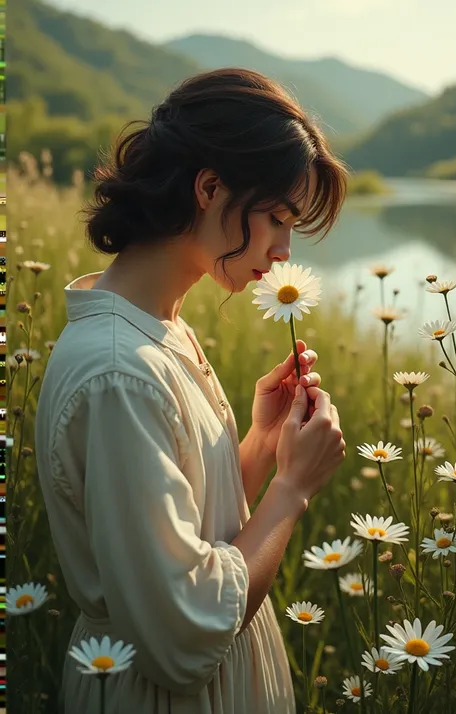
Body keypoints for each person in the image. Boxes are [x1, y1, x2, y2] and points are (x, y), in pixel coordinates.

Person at [35, 67, 349, 714]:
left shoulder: (159, 328)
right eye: (277, 218)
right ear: (209, 187)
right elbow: (183, 632)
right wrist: (290, 492)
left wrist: (262, 445)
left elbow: (181, 532)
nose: (285, 249)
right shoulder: (120, 371)